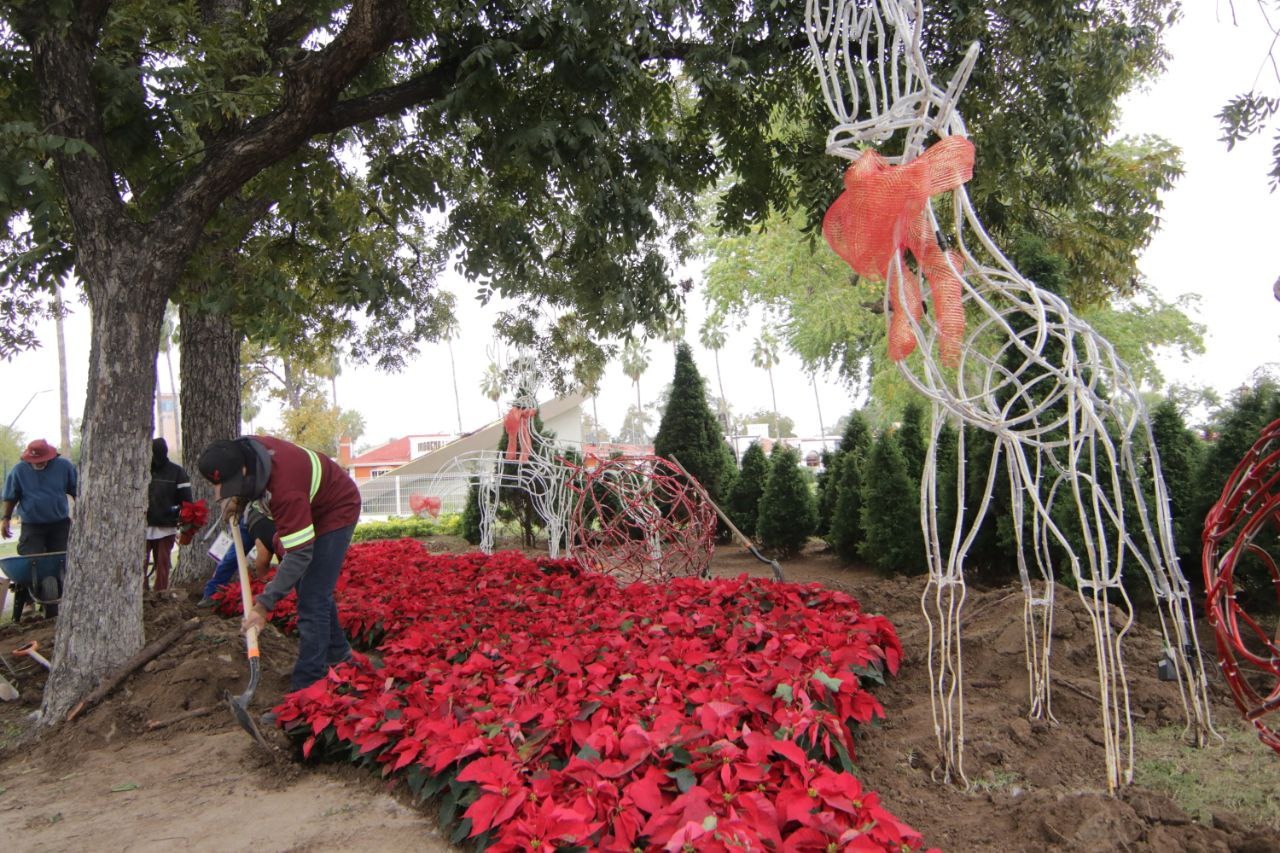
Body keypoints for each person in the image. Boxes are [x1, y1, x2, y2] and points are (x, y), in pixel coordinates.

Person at [197, 436, 361, 693]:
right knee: (312, 588)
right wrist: (237, 499)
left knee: (312, 596)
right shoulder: (243, 450)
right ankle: (340, 654)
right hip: (308, 506)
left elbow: (299, 554)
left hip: (334, 511)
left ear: (244, 470)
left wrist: (263, 606)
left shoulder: (286, 488)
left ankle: (309, 687)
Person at [1, 438, 78, 622]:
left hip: (59, 523)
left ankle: (60, 604)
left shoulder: (63, 467)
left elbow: (77, 490)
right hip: (32, 525)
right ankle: (28, 600)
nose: (38, 464)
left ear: (50, 457)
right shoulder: (19, 470)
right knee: (31, 559)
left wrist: (81, 513)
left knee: (62, 560)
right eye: (34, 461)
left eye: (41, 460)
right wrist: (5, 519)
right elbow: (11, 496)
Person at [197, 500, 279, 607]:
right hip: (248, 522)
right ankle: (211, 593)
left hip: (269, 520)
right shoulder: (266, 547)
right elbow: (261, 565)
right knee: (232, 558)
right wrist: (266, 587)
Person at [144, 438, 192, 592]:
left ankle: (160, 596)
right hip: (142, 527)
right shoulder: (141, 471)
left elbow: (187, 501)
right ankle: (142, 596)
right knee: (139, 565)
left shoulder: (177, 472)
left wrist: (185, 525)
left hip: (166, 526)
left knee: (163, 565)